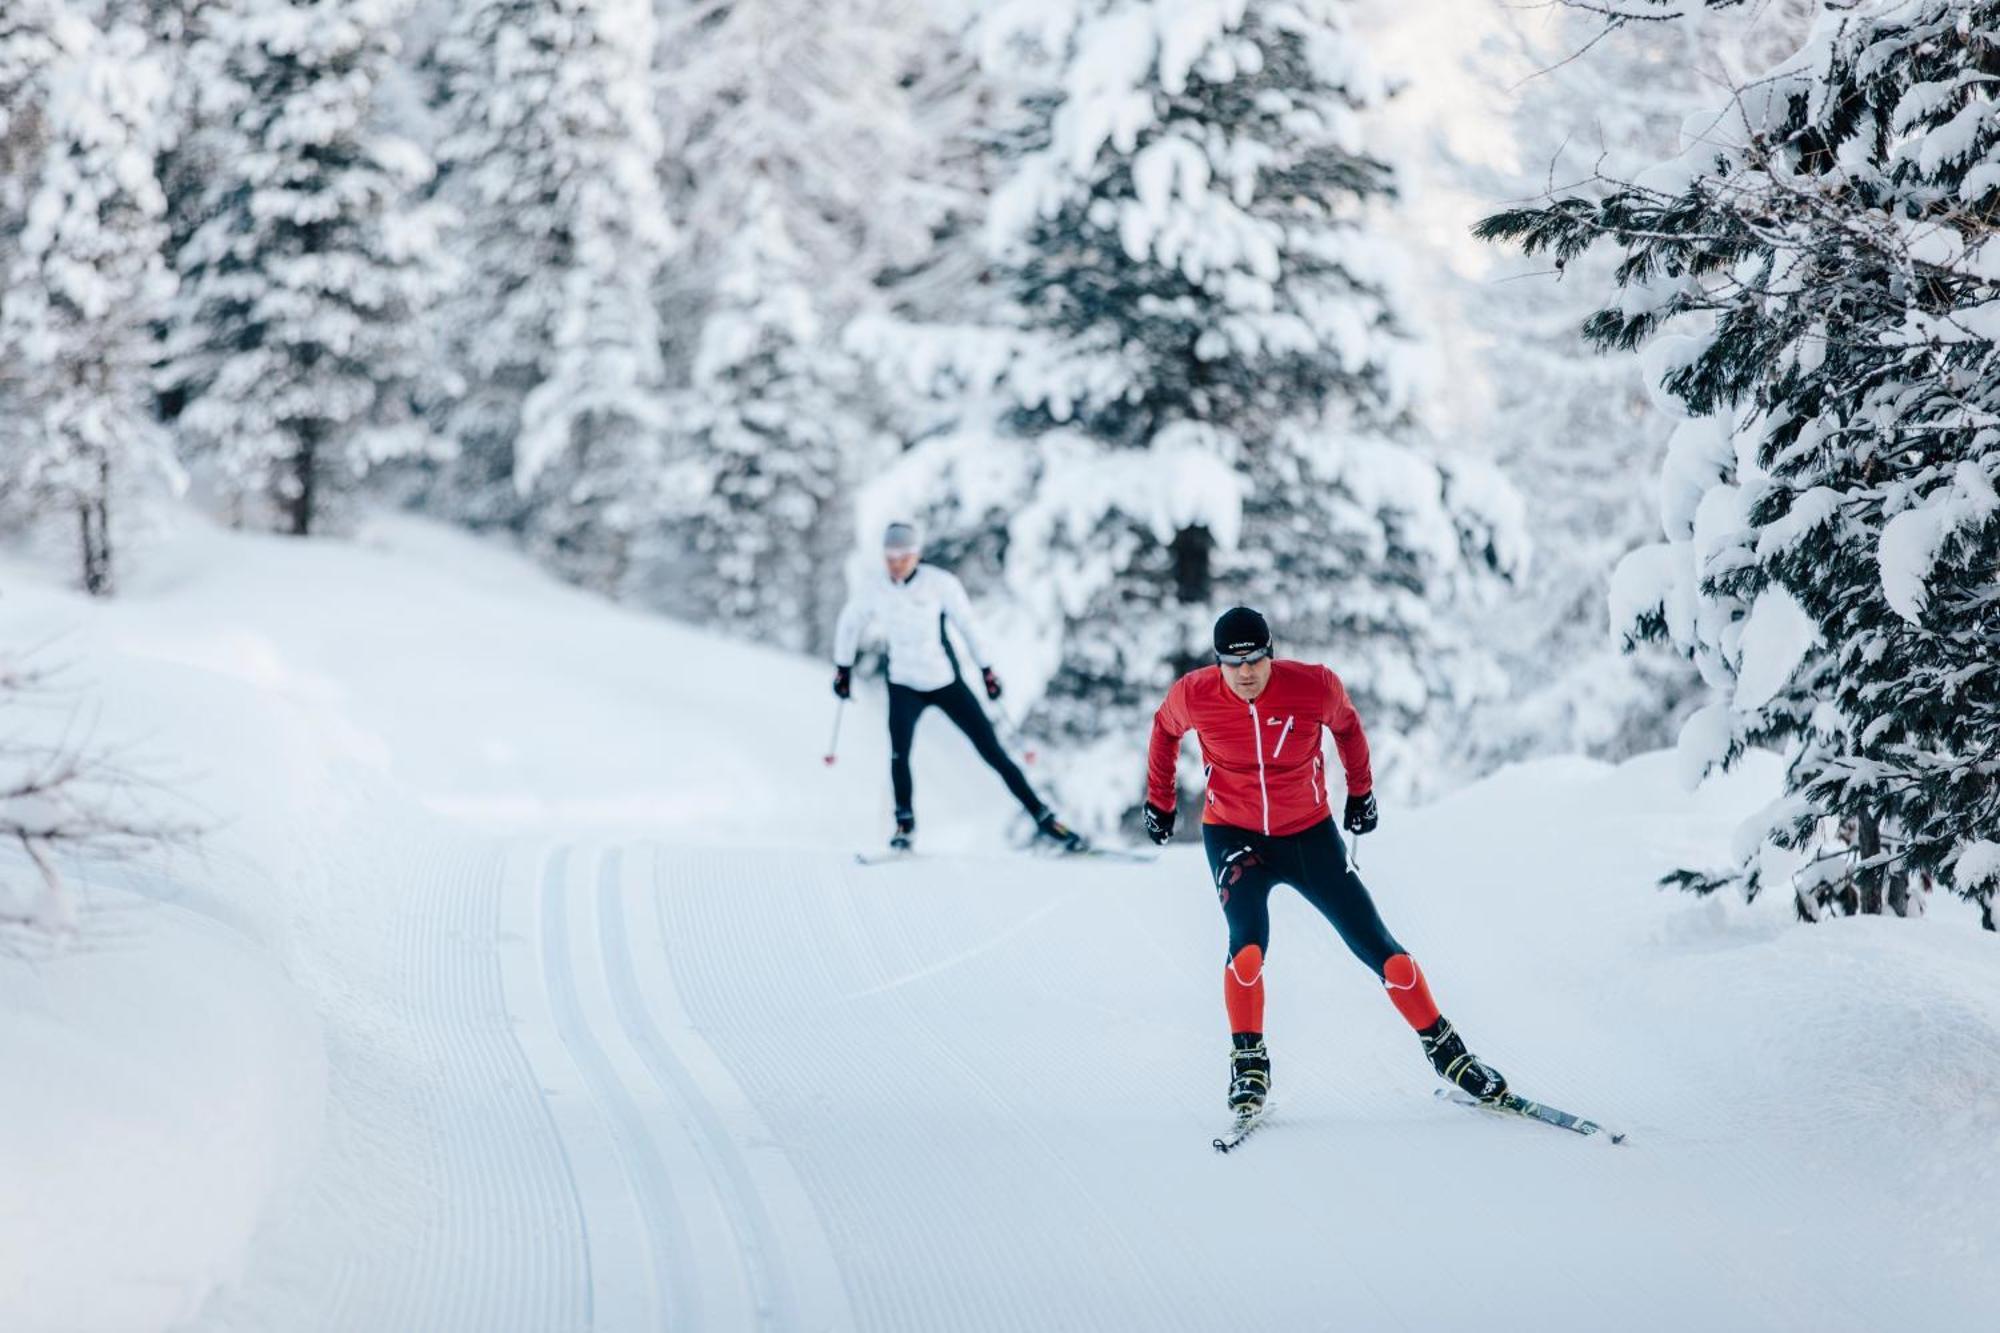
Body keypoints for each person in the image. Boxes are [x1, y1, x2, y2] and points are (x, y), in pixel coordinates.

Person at [1143, 606, 1506, 1117]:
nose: (1247, 673)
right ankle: (1249, 1063)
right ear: (1218, 663)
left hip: (1308, 835)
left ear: (1272, 653)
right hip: (1233, 834)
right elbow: (1164, 729)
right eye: (1234, 663)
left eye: (1257, 660)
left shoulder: (1313, 687)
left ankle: (1450, 1053)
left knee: (1385, 952)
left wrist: (1361, 794)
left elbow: (1349, 728)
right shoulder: (1194, 694)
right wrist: (1159, 801)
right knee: (1246, 949)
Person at [832, 521, 1082, 853]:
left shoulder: (940, 584)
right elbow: (850, 624)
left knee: (992, 751)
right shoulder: (875, 588)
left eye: (902, 557)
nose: (895, 564)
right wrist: (843, 669)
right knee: (899, 754)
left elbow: (968, 625)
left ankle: (1045, 818)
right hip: (904, 683)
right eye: (890, 557)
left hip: (945, 682)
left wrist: (987, 670)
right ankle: (905, 825)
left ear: (915, 555)